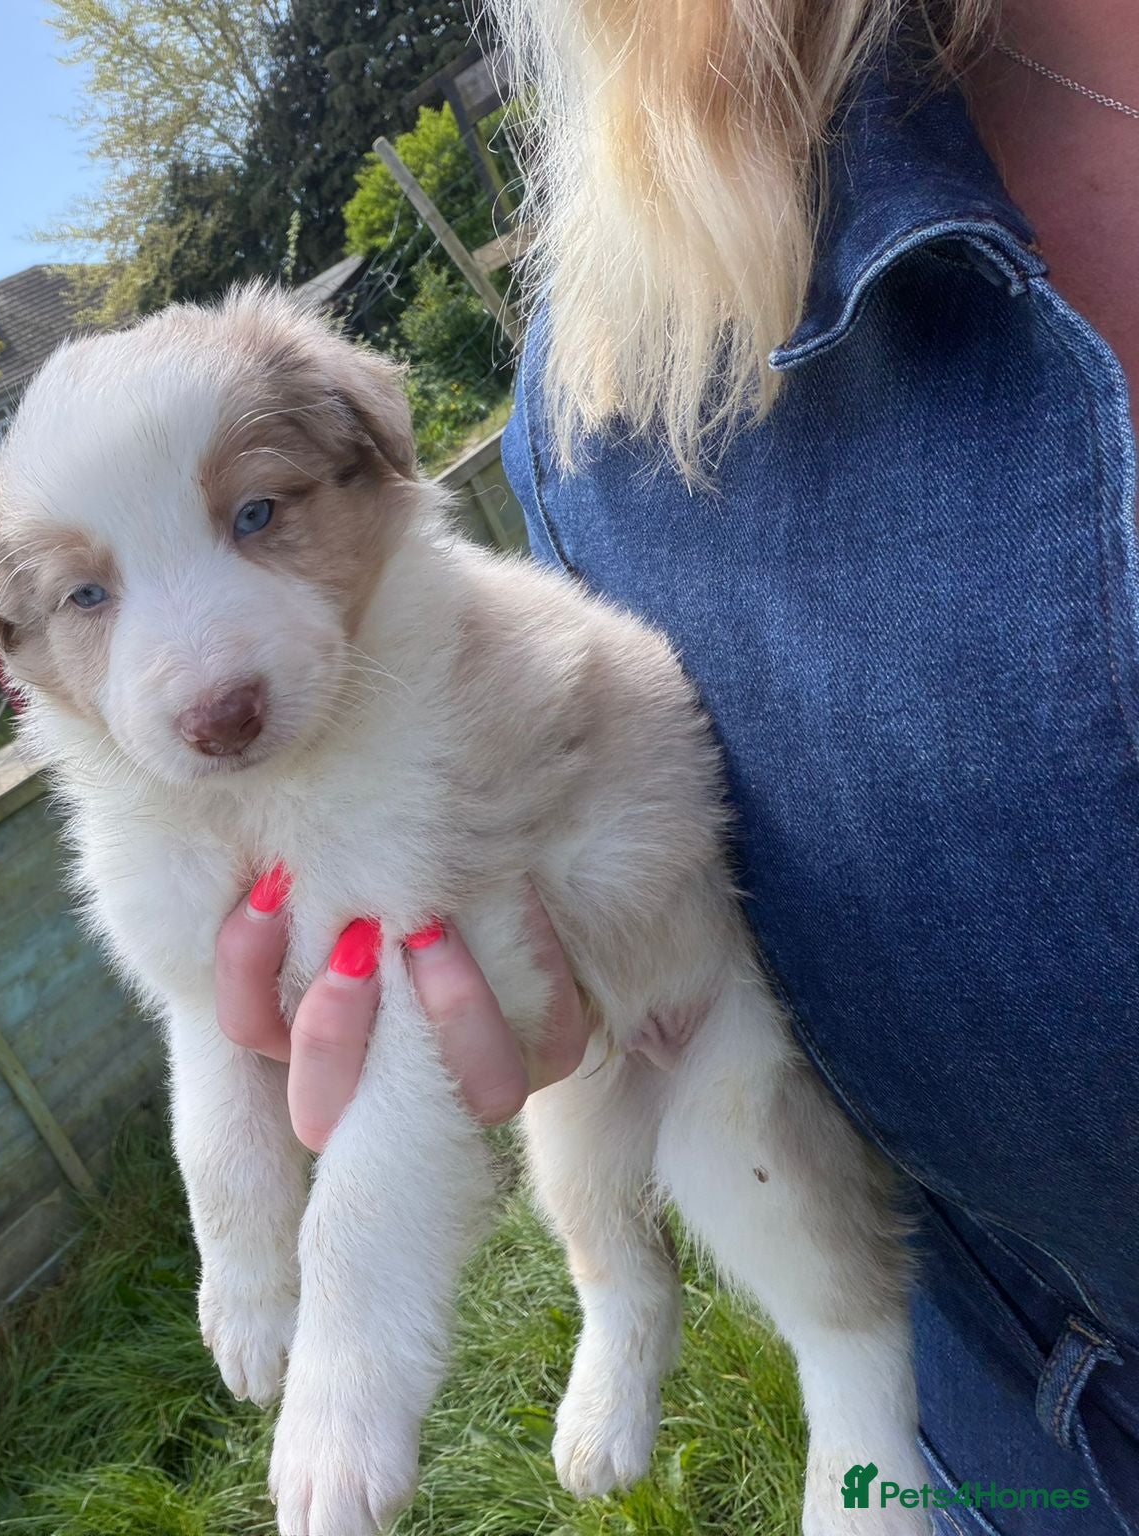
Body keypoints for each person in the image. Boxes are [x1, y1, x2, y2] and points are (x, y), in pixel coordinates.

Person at [212, 0, 1138, 1528]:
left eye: (256, 516)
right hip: (1057, 1434)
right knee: (638, 1150)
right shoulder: (623, 421)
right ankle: (648, 1322)